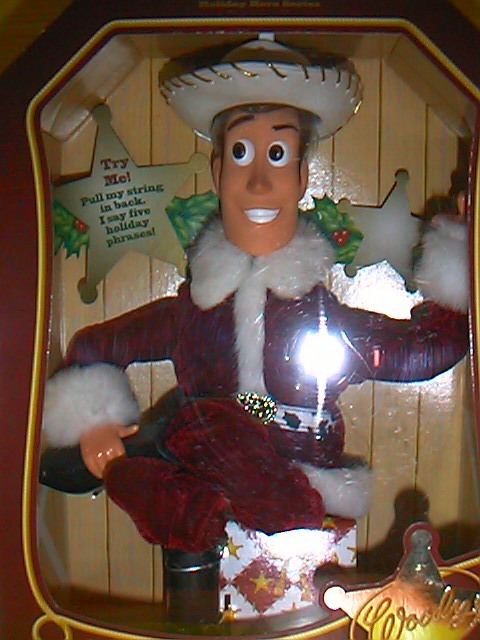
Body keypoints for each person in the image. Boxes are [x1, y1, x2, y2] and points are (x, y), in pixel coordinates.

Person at [42, 38, 469, 556]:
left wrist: (461, 253)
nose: (260, 182)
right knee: (190, 445)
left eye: (278, 155)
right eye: (241, 154)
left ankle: (271, 504)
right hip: (203, 507)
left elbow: (423, 351)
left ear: (302, 177)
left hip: (303, 507)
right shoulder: (192, 314)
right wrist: (93, 424)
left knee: (201, 436)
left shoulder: (322, 323)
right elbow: (98, 346)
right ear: (218, 173)